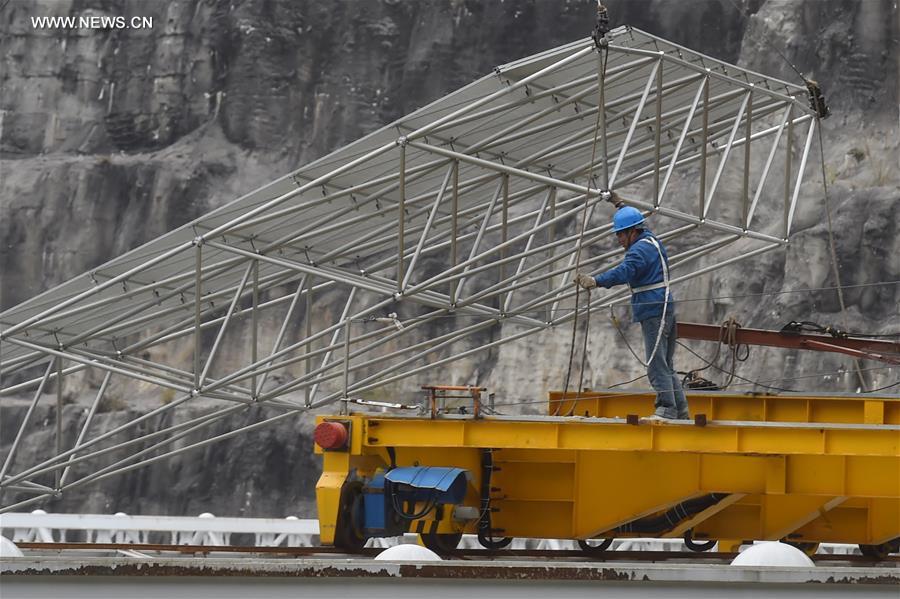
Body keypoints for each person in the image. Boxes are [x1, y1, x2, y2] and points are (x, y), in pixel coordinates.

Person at [575, 205, 689, 421]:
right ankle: (680, 411)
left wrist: (596, 281)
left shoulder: (639, 250)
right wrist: (620, 205)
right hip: (664, 307)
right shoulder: (651, 241)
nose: (618, 238)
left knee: (656, 364)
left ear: (633, 231)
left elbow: (625, 271)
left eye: (620, 233)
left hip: (653, 309)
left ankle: (666, 409)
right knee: (666, 364)